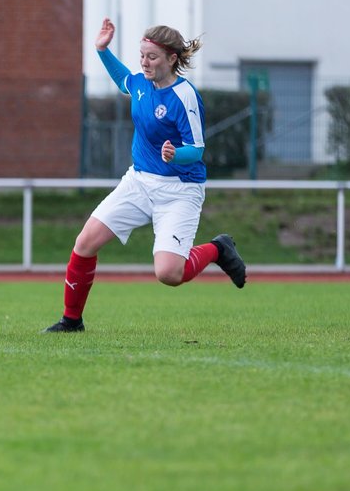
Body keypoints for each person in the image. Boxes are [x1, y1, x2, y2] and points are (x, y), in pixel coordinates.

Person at [45, 18, 245, 333]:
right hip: (138, 182)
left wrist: (174, 154)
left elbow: (196, 149)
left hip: (180, 190)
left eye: (151, 57)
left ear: (172, 59)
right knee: (85, 242)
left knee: (168, 274)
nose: (144, 62)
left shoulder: (185, 96)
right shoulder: (141, 85)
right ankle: (71, 321)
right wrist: (102, 50)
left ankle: (218, 249)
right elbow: (123, 78)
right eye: (141, 55)